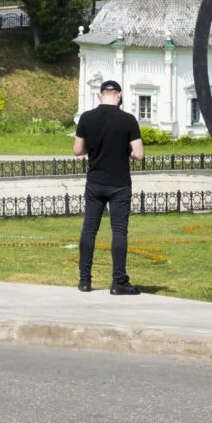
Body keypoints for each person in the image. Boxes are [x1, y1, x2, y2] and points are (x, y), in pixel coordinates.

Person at [73, 80, 144, 295]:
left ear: (100, 95)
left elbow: (77, 150)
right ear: (119, 96)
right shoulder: (128, 120)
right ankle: (118, 282)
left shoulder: (86, 118)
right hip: (119, 183)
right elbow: (139, 154)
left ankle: (85, 281)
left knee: (89, 230)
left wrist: (93, 148)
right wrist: (126, 150)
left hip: (95, 181)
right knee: (119, 231)